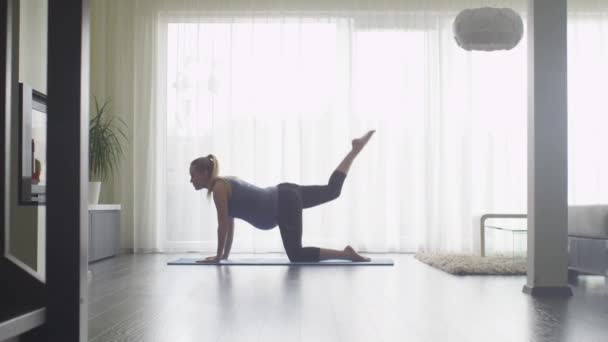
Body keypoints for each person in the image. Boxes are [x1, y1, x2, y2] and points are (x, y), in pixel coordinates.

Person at [189, 130, 376, 263]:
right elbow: (229, 225)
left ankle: (346, 255)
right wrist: (223, 256)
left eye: (193, 175)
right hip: (285, 194)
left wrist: (218, 256)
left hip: (283, 203)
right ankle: (354, 151)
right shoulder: (223, 184)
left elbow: (222, 226)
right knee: (332, 191)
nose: (191, 180)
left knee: (296, 254)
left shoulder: (219, 189)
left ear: (205, 172)